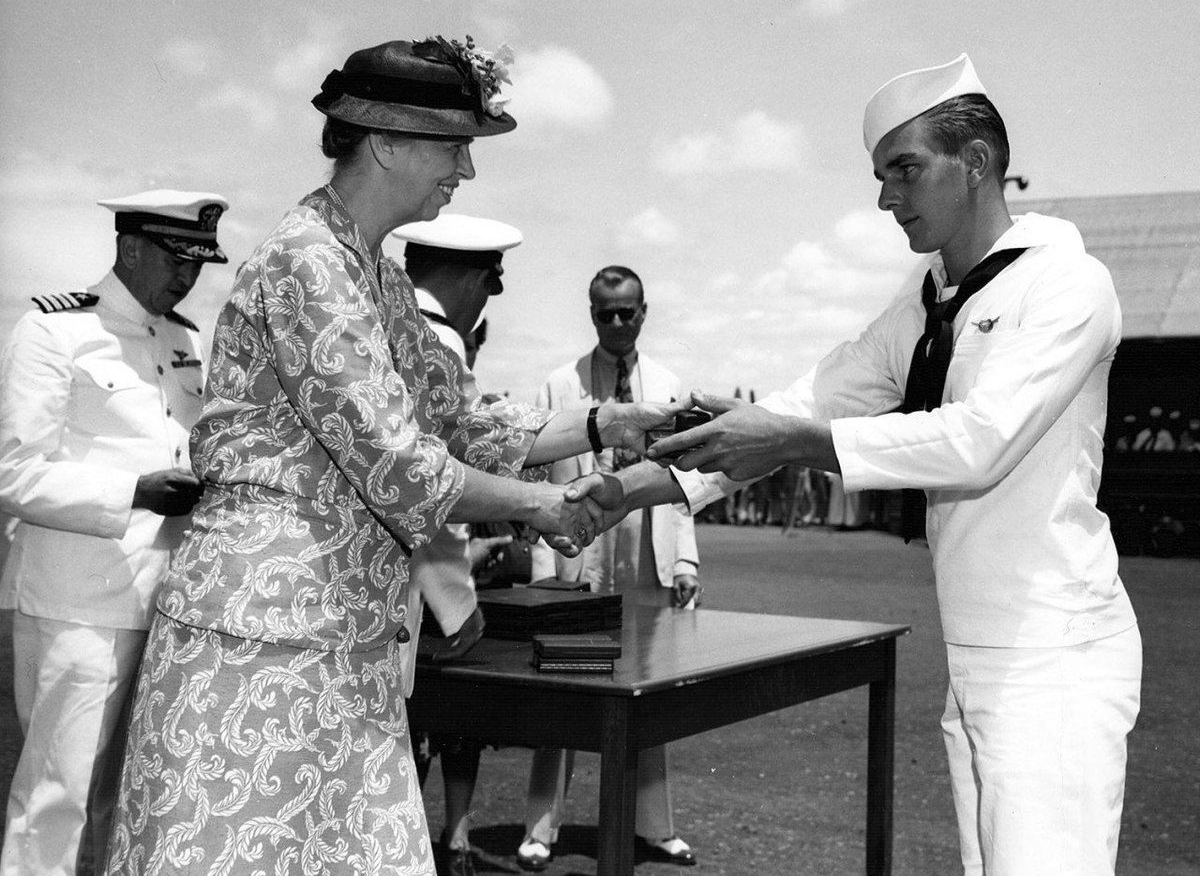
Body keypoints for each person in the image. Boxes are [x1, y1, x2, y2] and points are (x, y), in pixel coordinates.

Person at [100, 37, 678, 876]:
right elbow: (401, 464)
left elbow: (462, 423)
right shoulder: (309, 260)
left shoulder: (368, 269)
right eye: (456, 146)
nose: (466, 171)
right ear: (387, 142)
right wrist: (542, 506)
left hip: (339, 642)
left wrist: (608, 425)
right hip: (262, 643)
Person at [627, 54, 1141, 876]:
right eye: (880, 175)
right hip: (978, 653)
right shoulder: (930, 296)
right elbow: (818, 398)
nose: (884, 198)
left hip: (1057, 658)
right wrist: (625, 490)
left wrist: (791, 441)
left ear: (975, 164)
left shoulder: (1068, 284)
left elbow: (979, 439)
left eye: (904, 169)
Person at [0, 189, 228, 876]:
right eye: (174, 258)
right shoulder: (55, 330)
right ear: (130, 247)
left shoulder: (184, 337)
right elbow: (15, 474)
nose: (187, 277)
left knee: (133, 795)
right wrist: (134, 492)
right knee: (58, 794)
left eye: (198, 263)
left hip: (168, 604)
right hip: (79, 603)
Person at [516, 266, 699, 871]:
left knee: (649, 695)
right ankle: (542, 829)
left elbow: (685, 480)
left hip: (646, 553)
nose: (617, 323)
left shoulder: (671, 384)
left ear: (644, 310)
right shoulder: (558, 384)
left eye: (627, 312)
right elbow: (538, 482)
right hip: (578, 559)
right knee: (564, 696)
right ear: (591, 314)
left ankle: (654, 826)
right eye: (605, 313)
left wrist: (685, 560)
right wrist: (546, 569)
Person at [391, 211, 525, 876]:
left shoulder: (376, 312)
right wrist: (458, 602)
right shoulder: (437, 339)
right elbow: (434, 487)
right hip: (386, 602)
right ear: (473, 280)